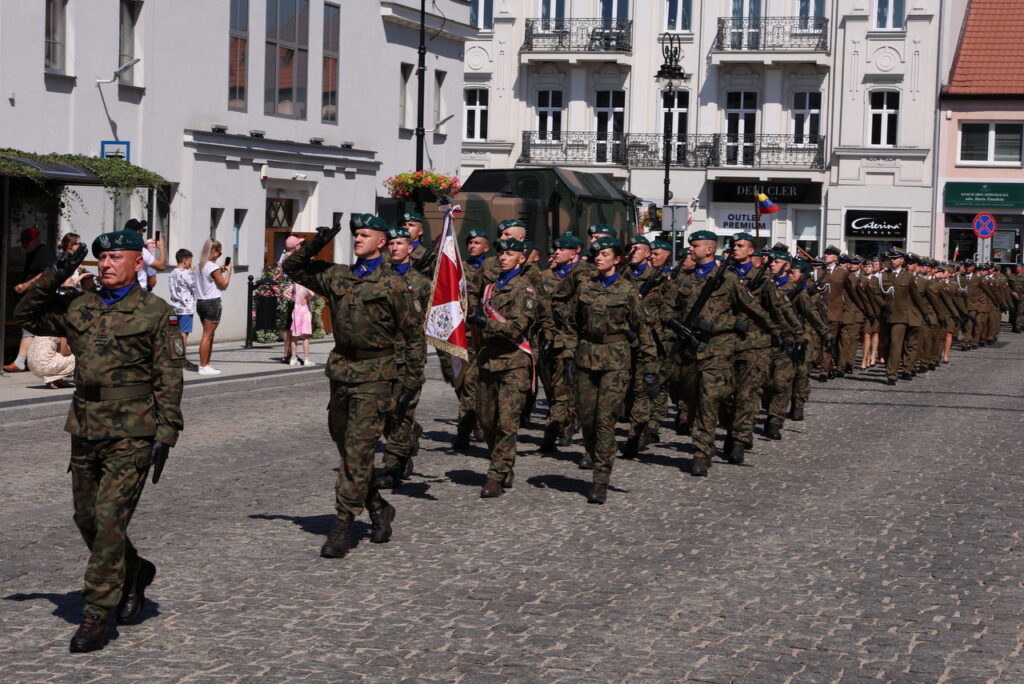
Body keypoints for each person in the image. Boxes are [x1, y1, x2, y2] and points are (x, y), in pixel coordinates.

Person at [14, 228, 184, 653]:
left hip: (132, 430)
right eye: (101, 259)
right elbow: (27, 313)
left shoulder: (153, 311)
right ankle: (135, 570)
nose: (106, 264)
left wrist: (167, 432)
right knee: (86, 519)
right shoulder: (81, 305)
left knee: (109, 520)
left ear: (137, 262)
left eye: (116, 258)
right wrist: (55, 273)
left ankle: (96, 613)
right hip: (86, 426)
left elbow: (169, 377)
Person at [282, 215, 425, 559]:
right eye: (355, 234)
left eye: (365, 234)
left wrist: (409, 383)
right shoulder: (339, 276)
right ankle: (378, 506)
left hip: (377, 375)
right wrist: (316, 243)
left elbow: (412, 336)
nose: (358, 239)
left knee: (359, 450)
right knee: (347, 449)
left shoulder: (393, 284)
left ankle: (342, 524)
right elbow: (293, 269)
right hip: (342, 371)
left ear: (381, 242)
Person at [661, 231, 778, 477]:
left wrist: (777, 332)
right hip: (689, 351)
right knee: (692, 400)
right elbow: (665, 309)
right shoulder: (683, 279)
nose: (690, 250)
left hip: (719, 350)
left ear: (709, 249)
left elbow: (753, 309)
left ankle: (702, 453)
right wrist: (675, 324)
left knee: (709, 399)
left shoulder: (728, 279)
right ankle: (721, 433)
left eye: (695, 246)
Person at [560, 237, 656, 503]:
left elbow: (643, 329)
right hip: (586, 360)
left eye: (604, 254)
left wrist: (649, 369)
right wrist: (568, 354)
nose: (598, 258)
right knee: (587, 419)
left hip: (616, 361)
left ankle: (601, 478)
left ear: (617, 259)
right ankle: (594, 454)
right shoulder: (585, 287)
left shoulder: (627, 290)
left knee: (605, 420)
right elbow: (570, 324)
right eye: (596, 254)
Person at [466, 238, 538, 498]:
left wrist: (485, 322)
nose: (504, 257)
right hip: (488, 361)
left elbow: (516, 328)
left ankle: (495, 475)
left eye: (510, 254)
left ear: (521, 259)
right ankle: (505, 461)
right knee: (486, 420)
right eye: (501, 254)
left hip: (513, 362)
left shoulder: (526, 290)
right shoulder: (490, 288)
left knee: (507, 423)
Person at [378, 226, 432, 488]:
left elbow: (427, 324)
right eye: (391, 243)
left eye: (399, 243)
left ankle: (392, 465)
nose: (394, 247)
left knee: (401, 412)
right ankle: (405, 443)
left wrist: (416, 365)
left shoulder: (421, 284)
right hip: (380, 358)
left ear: (410, 248)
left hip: (408, 358)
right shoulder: (377, 279)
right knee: (385, 413)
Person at [5, 227, 55, 373]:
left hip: (39, 297)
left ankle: (21, 361)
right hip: (32, 296)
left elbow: (48, 272)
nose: (24, 246)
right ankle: (23, 361)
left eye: (27, 243)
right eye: (23, 243)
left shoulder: (44, 253)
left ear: (36, 240)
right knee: (29, 327)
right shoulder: (32, 253)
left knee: (29, 326)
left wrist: (26, 285)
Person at [195, 239, 232, 375]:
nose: (219, 255)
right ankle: (203, 366)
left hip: (200, 302)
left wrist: (220, 269)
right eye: (220, 253)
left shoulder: (200, 265)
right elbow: (223, 285)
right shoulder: (212, 267)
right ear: (214, 251)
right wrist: (228, 272)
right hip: (212, 303)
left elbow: (209, 278)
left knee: (208, 335)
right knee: (207, 335)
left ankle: (206, 364)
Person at [168, 249, 198, 372]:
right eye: (190, 260)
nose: (191, 263)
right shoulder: (187, 273)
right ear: (185, 260)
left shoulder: (172, 273)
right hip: (186, 308)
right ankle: (182, 359)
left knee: (175, 333)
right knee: (184, 334)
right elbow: (195, 286)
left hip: (174, 307)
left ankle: (174, 357)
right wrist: (193, 272)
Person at [278, 236, 302, 364]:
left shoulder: (283, 257)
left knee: (288, 326)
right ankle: (291, 354)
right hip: (292, 295)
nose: (300, 246)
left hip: (285, 295)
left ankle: (287, 353)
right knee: (293, 326)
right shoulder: (293, 259)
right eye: (299, 244)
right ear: (295, 246)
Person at [124, 219, 166, 291]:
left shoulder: (119, 248)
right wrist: (161, 247)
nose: (143, 234)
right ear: (138, 231)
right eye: (142, 231)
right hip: (137, 292)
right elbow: (161, 266)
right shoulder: (141, 251)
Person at [288, 281, 315, 366]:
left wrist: (292, 298)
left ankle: (293, 358)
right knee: (305, 337)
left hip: (296, 312)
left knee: (294, 336)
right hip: (305, 312)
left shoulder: (295, 287)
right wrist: (307, 299)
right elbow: (312, 294)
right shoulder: (305, 286)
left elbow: (284, 292)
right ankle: (306, 359)